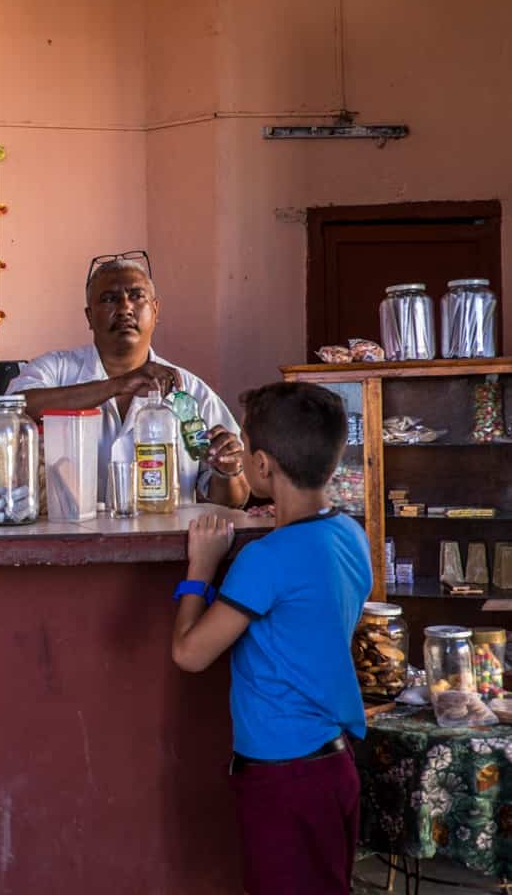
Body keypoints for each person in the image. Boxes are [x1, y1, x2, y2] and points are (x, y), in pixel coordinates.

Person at [171, 382, 372, 894]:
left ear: (261, 466)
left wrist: (202, 568)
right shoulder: (350, 534)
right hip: (333, 763)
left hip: (284, 776)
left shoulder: (267, 559)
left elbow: (190, 654)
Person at [7, 252, 249, 507]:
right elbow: (15, 407)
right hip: (71, 542)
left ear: (155, 310)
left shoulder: (189, 392)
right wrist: (117, 385)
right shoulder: (57, 370)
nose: (124, 308)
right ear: (89, 317)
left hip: (165, 543)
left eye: (136, 296)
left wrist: (227, 471)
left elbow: (235, 501)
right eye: (109, 299)